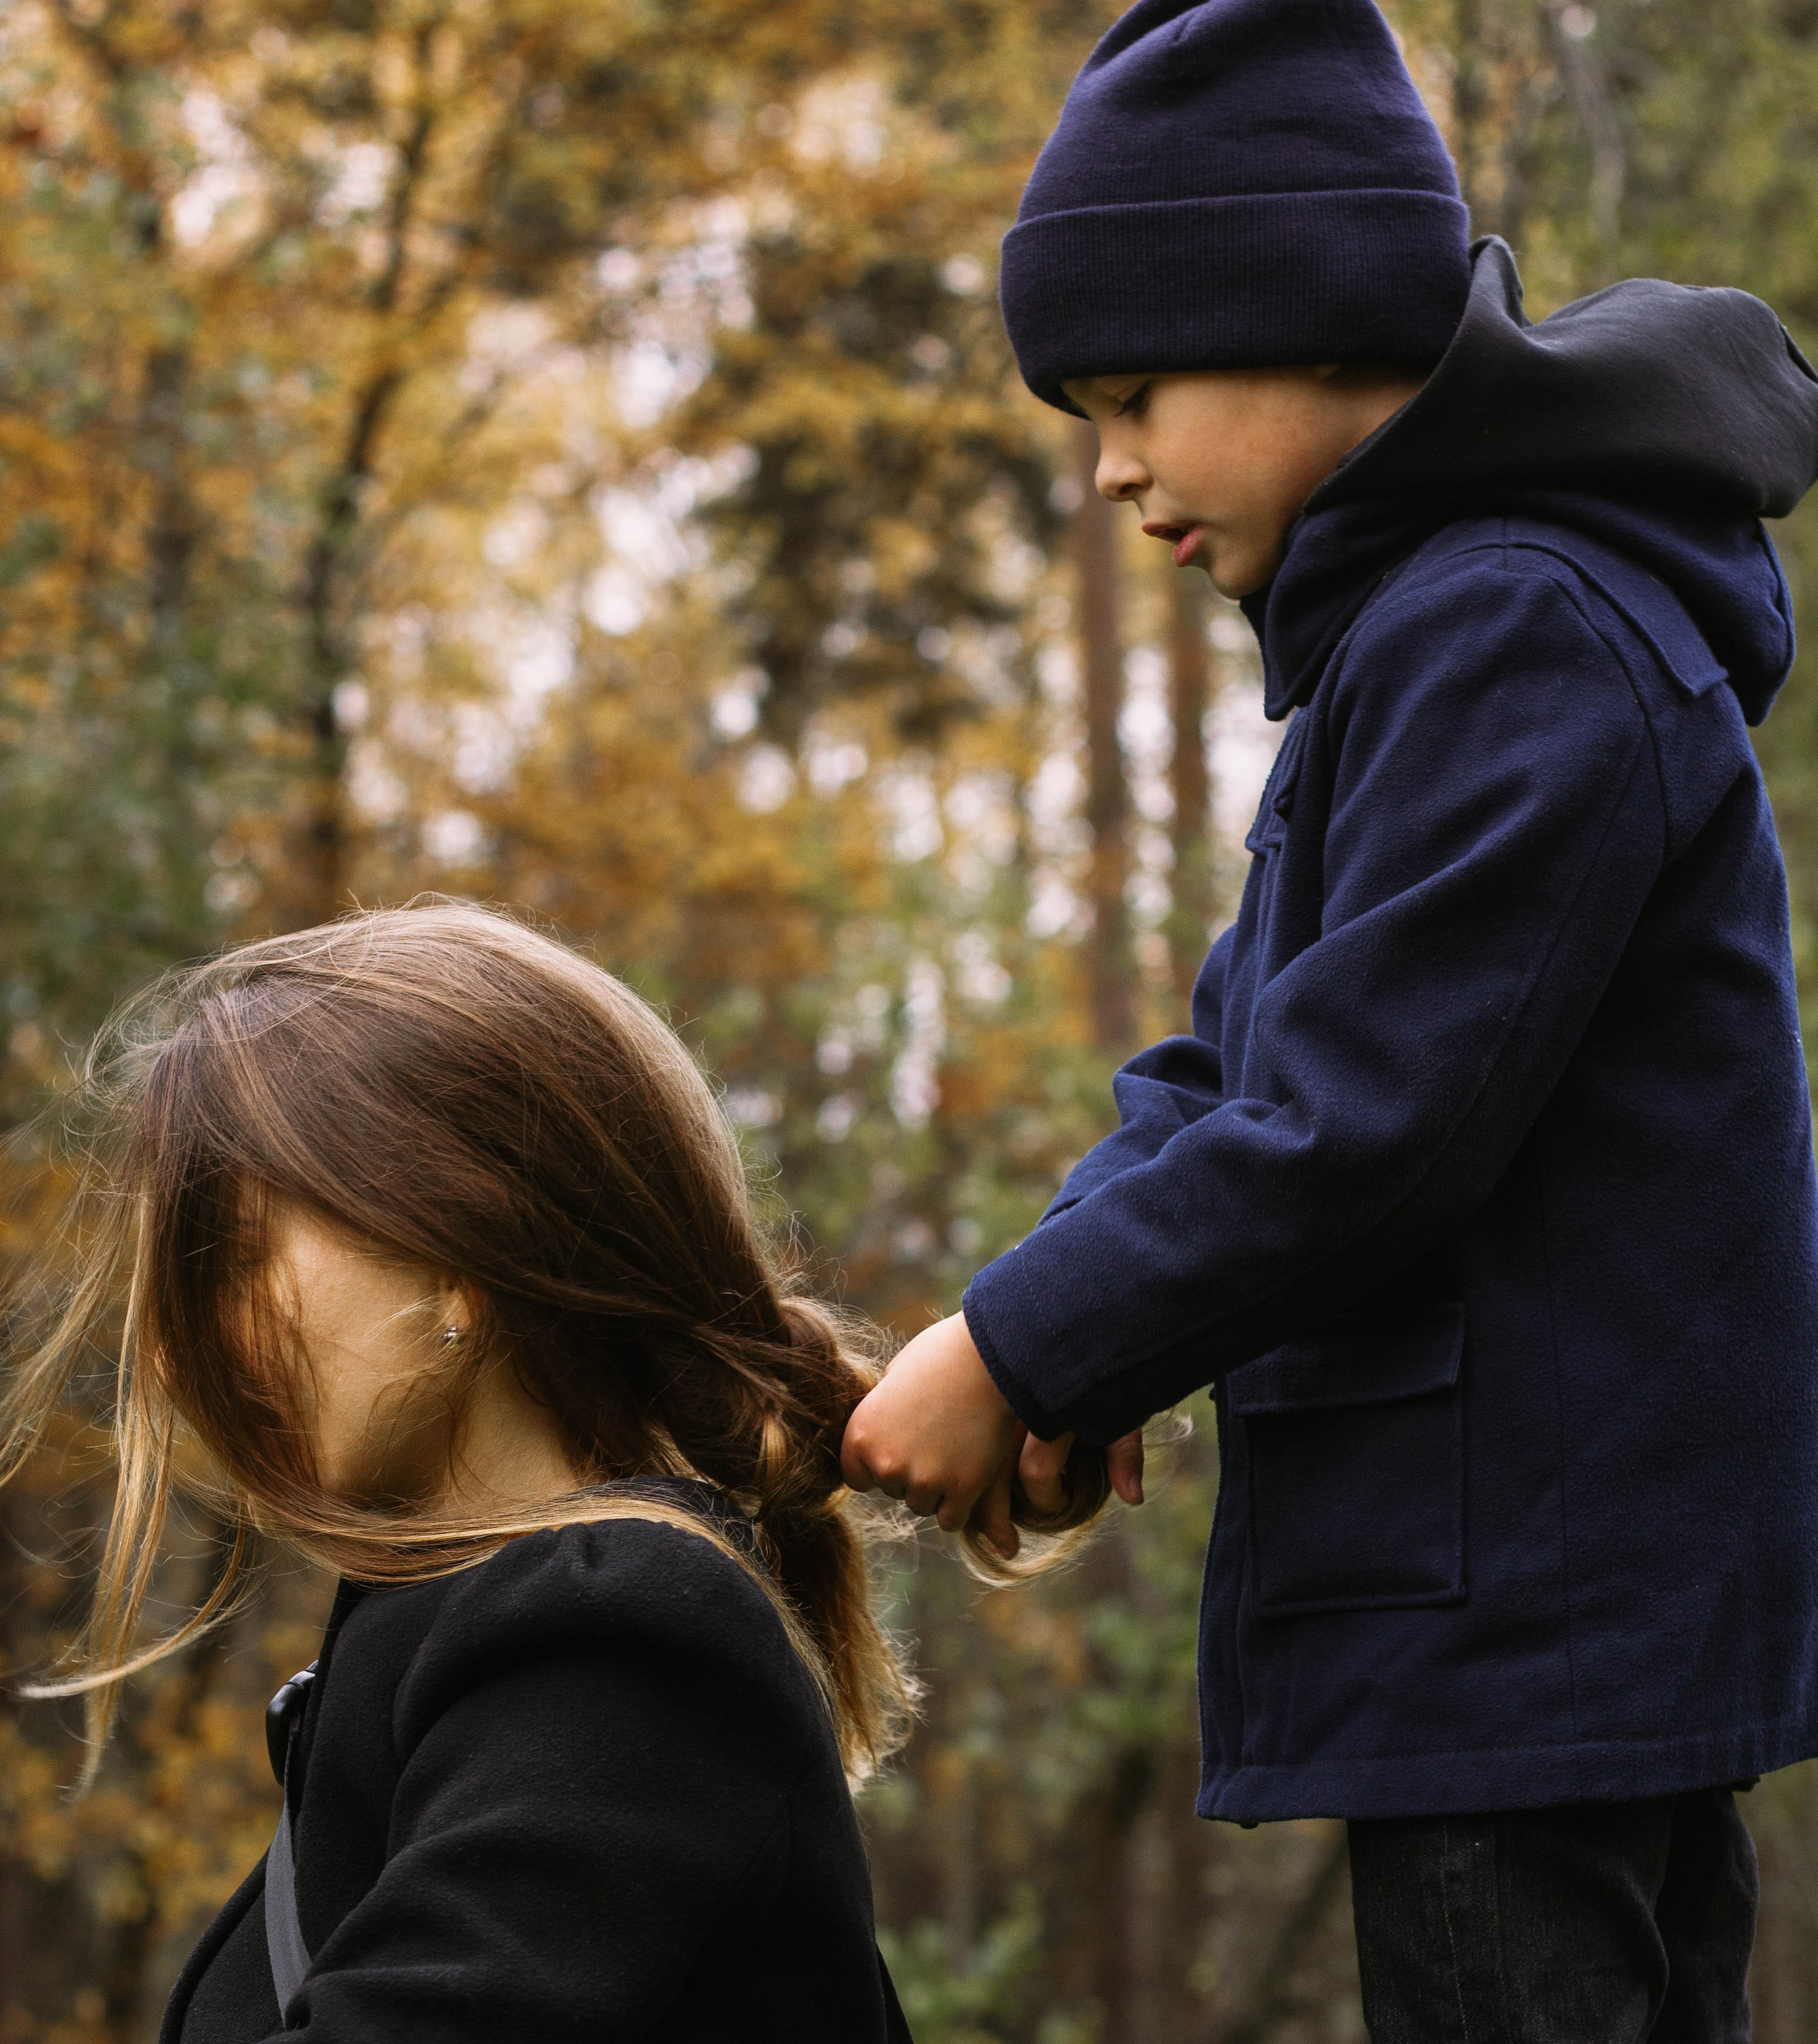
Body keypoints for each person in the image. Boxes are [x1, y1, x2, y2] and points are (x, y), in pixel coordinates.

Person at [841, 0, 1818, 2036]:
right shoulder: (1430, 635)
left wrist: (1019, 1344)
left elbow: (1364, 1127)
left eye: (1130, 396)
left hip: (1530, 1628)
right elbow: (1227, 1067)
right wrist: (1061, 1338)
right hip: (1532, 1633)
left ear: (1306, 320)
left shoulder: (1511, 626)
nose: (1109, 473)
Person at [9, 902, 940, 2043]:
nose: (171, 1348)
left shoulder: (617, 1643)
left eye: (233, 1260)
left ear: (454, 1252)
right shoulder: (453, 1631)